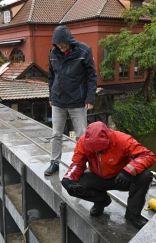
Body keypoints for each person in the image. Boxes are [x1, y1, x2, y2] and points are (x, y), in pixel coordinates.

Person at [61, 122, 156, 228]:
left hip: (122, 177)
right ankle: (101, 201)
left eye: (101, 148)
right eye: (94, 149)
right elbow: (77, 164)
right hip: (97, 176)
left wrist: (128, 170)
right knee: (75, 186)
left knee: (145, 176)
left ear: (108, 137)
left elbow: (148, 155)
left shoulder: (123, 139)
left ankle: (133, 215)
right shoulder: (82, 142)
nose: (98, 151)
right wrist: (68, 180)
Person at [44, 25, 97, 176]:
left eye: (64, 44)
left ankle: (83, 164)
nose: (61, 47)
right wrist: (51, 96)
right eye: (59, 45)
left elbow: (92, 76)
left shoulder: (84, 51)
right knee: (56, 134)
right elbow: (51, 76)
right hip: (58, 100)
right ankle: (54, 163)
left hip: (77, 101)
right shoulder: (53, 53)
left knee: (81, 135)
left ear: (69, 40)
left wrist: (90, 97)